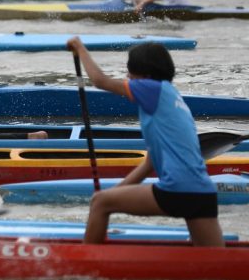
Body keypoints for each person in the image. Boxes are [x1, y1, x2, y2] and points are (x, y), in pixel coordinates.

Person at [67, 38, 224, 247]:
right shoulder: (171, 97)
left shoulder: (151, 89)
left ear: (145, 76)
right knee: (215, 263)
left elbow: (99, 81)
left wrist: (79, 47)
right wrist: (114, 192)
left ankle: (85, 263)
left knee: (99, 203)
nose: (127, 78)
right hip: (202, 193)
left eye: (130, 72)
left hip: (177, 190)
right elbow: (149, 164)